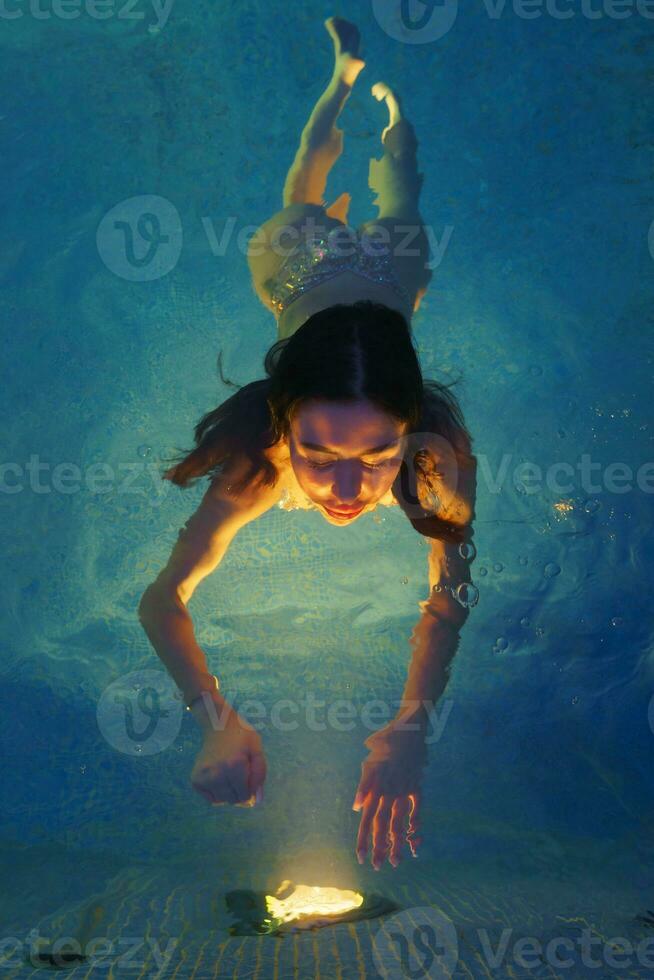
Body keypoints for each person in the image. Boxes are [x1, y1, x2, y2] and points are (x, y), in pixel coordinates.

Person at [138, 18, 478, 873]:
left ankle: (395, 119)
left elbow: (450, 597)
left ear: (412, 428)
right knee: (303, 191)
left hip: (387, 293)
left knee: (402, 205)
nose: (346, 488)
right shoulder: (259, 462)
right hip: (297, 268)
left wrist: (413, 727)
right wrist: (213, 717)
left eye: (378, 454)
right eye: (320, 451)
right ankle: (339, 78)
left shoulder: (439, 460)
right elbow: (161, 598)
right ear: (283, 420)